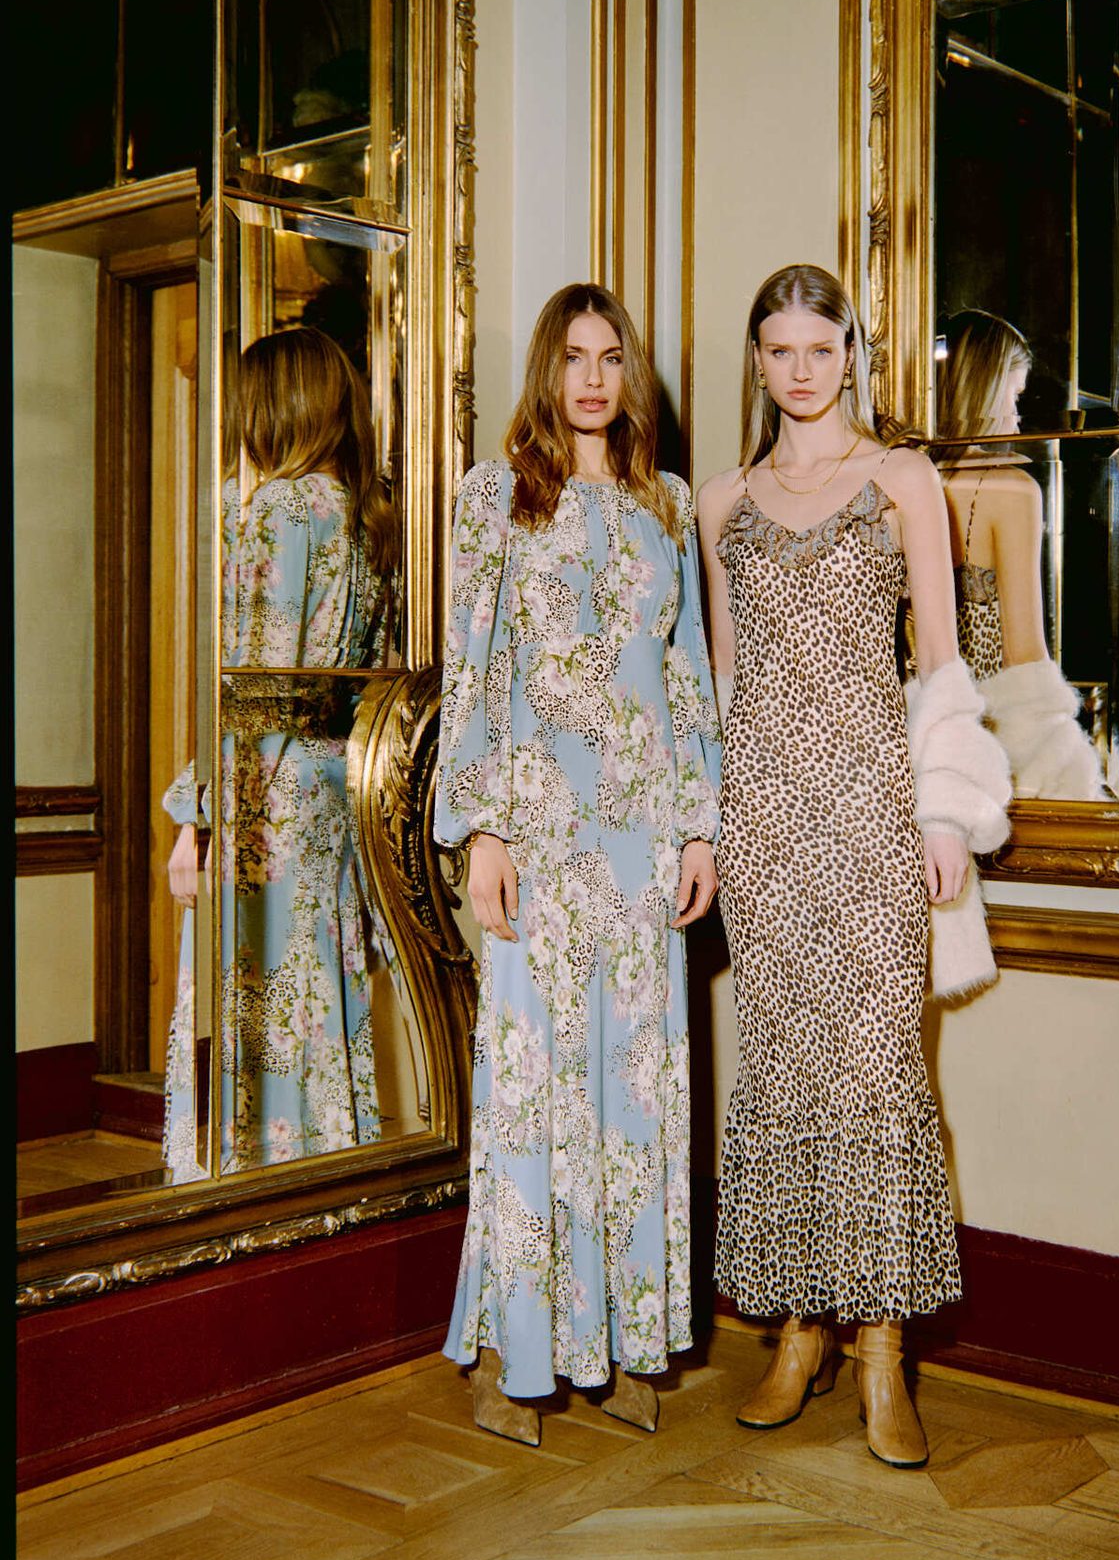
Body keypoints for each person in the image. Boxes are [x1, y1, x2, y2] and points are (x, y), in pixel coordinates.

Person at [696, 264, 1013, 1468]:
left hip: (876, 811)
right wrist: (711, 830)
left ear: (851, 355)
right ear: (759, 361)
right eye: (777, 349)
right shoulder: (721, 500)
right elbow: (723, 692)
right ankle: (794, 1332)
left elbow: (942, 662)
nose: (799, 370)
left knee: (877, 1067)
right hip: (766, 818)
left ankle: (883, 1351)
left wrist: (945, 816)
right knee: (777, 1066)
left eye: (819, 348)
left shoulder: (901, 481)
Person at [434, 282, 722, 1446]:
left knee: (633, 1095)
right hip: (538, 836)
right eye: (573, 356)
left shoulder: (667, 505)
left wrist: (701, 826)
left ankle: (619, 1344)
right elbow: (472, 672)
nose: (594, 378)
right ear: (547, 373)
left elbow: (692, 674)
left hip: (645, 840)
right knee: (531, 1088)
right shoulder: (493, 499)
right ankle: (519, 1346)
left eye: (612, 358)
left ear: (631, 375)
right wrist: (483, 833)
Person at [163, 325, 400, 1178]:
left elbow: (250, 690)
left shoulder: (275, 511)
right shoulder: (368, 517)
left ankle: (250, 1186)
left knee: (257, 1004)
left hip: (267, 789)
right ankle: (323, 1188)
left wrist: (196, 818)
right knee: (319, 999)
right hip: (336, 786)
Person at [935, 309, 1107, 800]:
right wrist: (1071, 769)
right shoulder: (1011, 490)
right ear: (985, 392)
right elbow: (1024, 651)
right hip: (992, 746)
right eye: (1012, 397)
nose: (1016, 416)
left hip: (916, 740)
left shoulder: (905, 482)